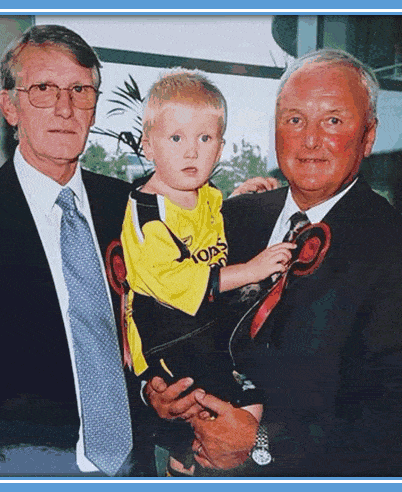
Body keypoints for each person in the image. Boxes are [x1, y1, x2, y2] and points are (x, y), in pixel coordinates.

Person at [146, 49, 402, 477]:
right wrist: (158, 393)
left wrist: (260, 443)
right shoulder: (231, 220)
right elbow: (170, 321)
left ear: (368, 136)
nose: (310, 140)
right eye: (294, 120)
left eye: (333, 121)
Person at [0, 24, 153, 477]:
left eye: (80, 89)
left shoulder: (132, 208)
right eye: (43, 89)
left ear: (94, 107)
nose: (65, 107)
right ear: (9, 106)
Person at [119, 70, 294, 475]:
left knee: (247, 397)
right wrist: (251, 269)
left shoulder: (206, 198)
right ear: (148, 145)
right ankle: (185, 467)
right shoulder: (146, 213)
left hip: (196, 324)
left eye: (204, 139)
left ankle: (191, 463)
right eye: (176, 138)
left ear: (220, 148)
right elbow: (181, 282)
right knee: (232, 396)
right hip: (164, 332)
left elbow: (203, 234)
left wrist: (235, 200)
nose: (191, 152)